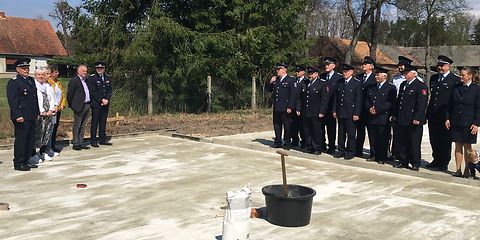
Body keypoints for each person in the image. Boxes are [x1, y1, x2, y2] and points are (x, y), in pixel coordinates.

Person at [391, 63, 428, 171]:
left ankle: (415, 162)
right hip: (402, 117)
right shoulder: (403, 85)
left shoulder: (420, 86)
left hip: (413, 119)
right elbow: (400, 101)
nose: (405, 75)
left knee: (414, 142)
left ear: (414, 74)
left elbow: (421, 104)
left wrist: (418, 117)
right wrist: (395, 114)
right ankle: (403, 160)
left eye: (407, 73)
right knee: (403, 141)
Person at [426, 55, 461, 171]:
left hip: (445, 115)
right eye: (438, 65)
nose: (439, 68)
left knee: (445, 140)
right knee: (434, 138)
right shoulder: (434, 78)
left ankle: (444, 162)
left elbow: (454, 100)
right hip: (433, 113)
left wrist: (450, 116)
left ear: (448, 66)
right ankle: (436, 159)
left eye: (442, 65)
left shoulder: (454, 80)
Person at [445, 67, 480, 178]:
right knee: (458, 145)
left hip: (469, 123)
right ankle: (458, 169)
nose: (461, 77)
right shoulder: (456, 88)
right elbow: (449, 105)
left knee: (467, 147)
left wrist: (476, 123)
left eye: (463, 75)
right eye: (460, 75)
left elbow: (478, 107)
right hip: (456, 121)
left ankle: (467, 169)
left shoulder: (476, 89)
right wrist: (447, 118)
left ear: (470, 76)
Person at [6, 58, 40, 171]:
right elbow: (13, 101)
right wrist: (17, 115)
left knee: (30, 140)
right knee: (21, 140)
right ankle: (19, 162)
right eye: (23, 68)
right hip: (21, 116)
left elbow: (34, 99)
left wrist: (37, 113)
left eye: (27, 68)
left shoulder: (30, 80)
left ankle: (26, 160)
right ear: (17, 69)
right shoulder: (14, 82)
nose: (26, 70)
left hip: (31, 115)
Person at [364, 66, 397, 164]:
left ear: (384, 76)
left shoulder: (390, 88)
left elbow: (389, 103)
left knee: (383, 138)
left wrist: (377, 110)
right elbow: (367, 99)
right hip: (371, 116)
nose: (376, 77)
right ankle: (373, 154)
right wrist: (369, 108)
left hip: (383, 117)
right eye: (376, 75)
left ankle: (382, 156)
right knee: (372, 137)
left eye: (378, 75)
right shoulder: (372, 87)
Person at [296, 66, 330, 154]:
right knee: (307, 130)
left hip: (316, 112)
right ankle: (309, 146)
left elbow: (324, 100)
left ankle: (317, 148)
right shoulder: (305, 83)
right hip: (305, 111)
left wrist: (322, 111)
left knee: (316, 131)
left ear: (316, 74)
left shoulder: (322, 83)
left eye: (312, 74)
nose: (310, 75)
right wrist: (299, 108)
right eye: (309, 74)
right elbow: (300, 97)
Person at [333, 64, 362, 160]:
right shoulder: (340, 82)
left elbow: (358, 100)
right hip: (341, 112)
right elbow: (336, 98)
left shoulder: (356, 83)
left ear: (352, 72)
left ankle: (350, 151)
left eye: (346, 71)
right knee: (341, 133)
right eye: (343, 72)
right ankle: (341, 150)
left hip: (351, 113)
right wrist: (334, 110)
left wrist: (356, 113)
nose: (344, 73)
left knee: (351, 134)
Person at [267, 63, 296, 149]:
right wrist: (271, 82)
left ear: (284, 70)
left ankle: (287, 143)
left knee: (287, 126)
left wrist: (290, 107)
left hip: (285, 107)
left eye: (279, 69)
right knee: (277, 125)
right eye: (277, 69)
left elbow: (293, 95)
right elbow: (269, 90)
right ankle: (278, 142)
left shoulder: (290, 80)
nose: (277, 71)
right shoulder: (277, 80)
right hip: (277, 107)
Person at [32, 68, 55, 163]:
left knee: (46, 133)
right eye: (39, 75)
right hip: (39, 114)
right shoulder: (34, 86)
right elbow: (35, 101)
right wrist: (41, 111)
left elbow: (51, 99)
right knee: (37, 134)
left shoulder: (47, 86)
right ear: (35, 76)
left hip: (48, 114)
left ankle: (43, 152)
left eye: (42, 75)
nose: (41, 76)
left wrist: (51, 109)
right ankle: (33, 154)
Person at [87, 61, 113, 147]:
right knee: (95, 122)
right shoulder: (92, 78)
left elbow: (109, 90)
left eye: (101, 68)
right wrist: (101, 100)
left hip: (105, 103)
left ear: (104, 69)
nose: (99, 69)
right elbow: (93, 92)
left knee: (103, 122)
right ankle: (93, 140)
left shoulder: (108, 77)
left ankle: (102, 139)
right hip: (96, 104)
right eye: (98, 68)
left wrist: (107, 99)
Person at [320, 57, 342, 154]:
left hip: (332, 106)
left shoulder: (339, 77)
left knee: (331, 128)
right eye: (325, 64)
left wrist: (335, 109)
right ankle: (322, 144)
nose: (326, 66)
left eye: (328, 64)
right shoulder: (322, 76)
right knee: (321, 127)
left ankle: (332, 146)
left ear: (334, 65)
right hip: (321, 106)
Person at [356, 56, 377, 159]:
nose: (363, 65)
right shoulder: (359, 77)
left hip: (369, 109)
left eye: (366, 64)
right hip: (359, 109)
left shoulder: (375, 78)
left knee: (372, 133)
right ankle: (358, 150)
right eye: (363, 64)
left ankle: (373, 153)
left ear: (371, 66)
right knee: (359, 131)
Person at [67, 65, 91, 150]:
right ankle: (76, 142)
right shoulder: (74, 81)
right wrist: (72, 106)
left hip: (87, 105)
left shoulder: (86, 80)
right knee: (77, 125)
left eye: (86, 71)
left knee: (83, 125)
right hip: (78, 106)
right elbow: (69, 95)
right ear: (78, 71)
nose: (85, 72)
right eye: (83, 71)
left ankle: (81, 142)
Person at [48, 65, 66, 153]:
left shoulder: (58, 82)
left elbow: (62, 94)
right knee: (49, 129)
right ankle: (47, 147)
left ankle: (53, 146)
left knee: (55, 128)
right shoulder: (48, 83)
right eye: (55, 72)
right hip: (51, 110)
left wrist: (62, 104)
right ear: (51, 74)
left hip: (58, 109)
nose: (58, 73)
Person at [290, 65, 308, 147]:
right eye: (296, 71)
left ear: (303, 72)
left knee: (302, 126)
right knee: (293, 125)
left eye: (299, 71)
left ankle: (304, 141)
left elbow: (302, 97)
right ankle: (294, 140)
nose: (297, 73)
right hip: (293, 107)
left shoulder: (306, 81)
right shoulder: (294, 81)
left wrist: (299, 108)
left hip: (302, 107)